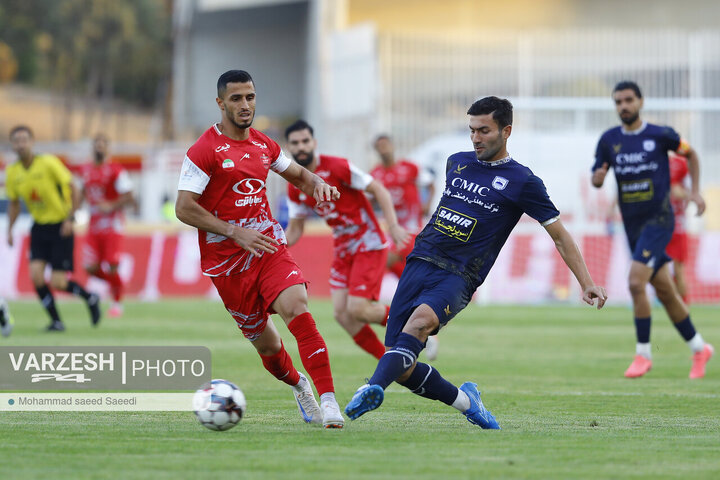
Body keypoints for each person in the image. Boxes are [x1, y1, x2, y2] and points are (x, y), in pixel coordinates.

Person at [344, 97, 607, 427]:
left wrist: (586, 282)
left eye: (484, 130)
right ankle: (468, 402)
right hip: (419, 261)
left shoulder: (523, 181)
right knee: (403, 365)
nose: (476, 138)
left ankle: (369, 388)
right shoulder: (457, 162)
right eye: (472, 130)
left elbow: (560, 235)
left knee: (420, 324)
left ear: (506, 131)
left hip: (459, 275)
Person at [175, 70, 344, 428]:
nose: (245, 105)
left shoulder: (264, 145)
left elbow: (297, 173)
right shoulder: (204, 151)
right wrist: (234, 232)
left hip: (267, 246)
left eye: (250, 97)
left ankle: (329, 402)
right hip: (227, 265)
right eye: (236, 99)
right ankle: (300, 386)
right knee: (268, 348)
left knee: (297, 308)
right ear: (221, 103)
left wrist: (317, 183)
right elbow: (184, 207)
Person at [592, 80, 713, 379]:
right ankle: (700, 348)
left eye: (629, 100)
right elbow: (597, 177)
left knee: (635, 283)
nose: (624, 106)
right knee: (666, 292)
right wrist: (599, 175)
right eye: (618, 101)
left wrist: (696, 192)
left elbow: (692, 154)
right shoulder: (609, 140)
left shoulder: (661, 135)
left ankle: (643, 354)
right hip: (632, 226)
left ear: (640, 102)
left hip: (659, 221)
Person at [283, 120, 410, 361]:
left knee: (358, 309)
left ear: (314, 143)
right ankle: (391, 362)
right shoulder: (294, 186)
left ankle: (413, 327)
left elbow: (379, 189)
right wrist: (270, 245)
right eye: (295, 143)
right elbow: (295, 230)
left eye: (305, 141)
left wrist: (392, 226)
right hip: (343, 247)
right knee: (342, 315)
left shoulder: (338, 167)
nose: (301, 146)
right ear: (288, 147)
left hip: (367, 241)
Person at [5, 125, 101, 331]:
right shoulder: (12, 172)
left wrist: (70, 218)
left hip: (60, 226)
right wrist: (10, 229)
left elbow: (73, 187)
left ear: (32, 142)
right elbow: (14, 203)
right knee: (36, 276)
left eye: (24, 140)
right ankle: (56, 321)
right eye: (17, 141)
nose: (21, 144)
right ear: (12, 145)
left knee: (58, 282)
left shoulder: (48, 163)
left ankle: (90, 297)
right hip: (38, 227)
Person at [370, 134, 440, 360]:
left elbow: (430, 182)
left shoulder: (409, 168)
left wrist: (427, 205)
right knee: (405, 279)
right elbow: (371, 199)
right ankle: (422, 325)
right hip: (393, 231)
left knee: (384, 262)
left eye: (386, 144)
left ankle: (372, 306)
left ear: (392, 145)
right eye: (379, 146)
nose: (384, 149)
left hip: (411, 231)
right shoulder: (375, 174)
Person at [79, 133, 134, 317]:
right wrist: (72, 214)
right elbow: (82, 192)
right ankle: (115, 286)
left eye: (103, 144)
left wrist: (111, 205)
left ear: (108, 148)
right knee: (90, 268)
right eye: (97, 144)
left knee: (111, 265)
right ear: (92, 147)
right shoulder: (85, 169)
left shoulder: (116, 170)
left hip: (112, 224)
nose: (99, 147)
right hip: (93, 225)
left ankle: (117, 303)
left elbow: (129, 196)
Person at [666, 152, 690, 303]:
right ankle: (669, 301)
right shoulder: (653, 161)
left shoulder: (681, 163)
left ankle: (683, 303)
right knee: (659, 270)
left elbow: (688, 193)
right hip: (660, 226)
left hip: (678, 227)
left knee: (678, 269)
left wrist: (677, 191)